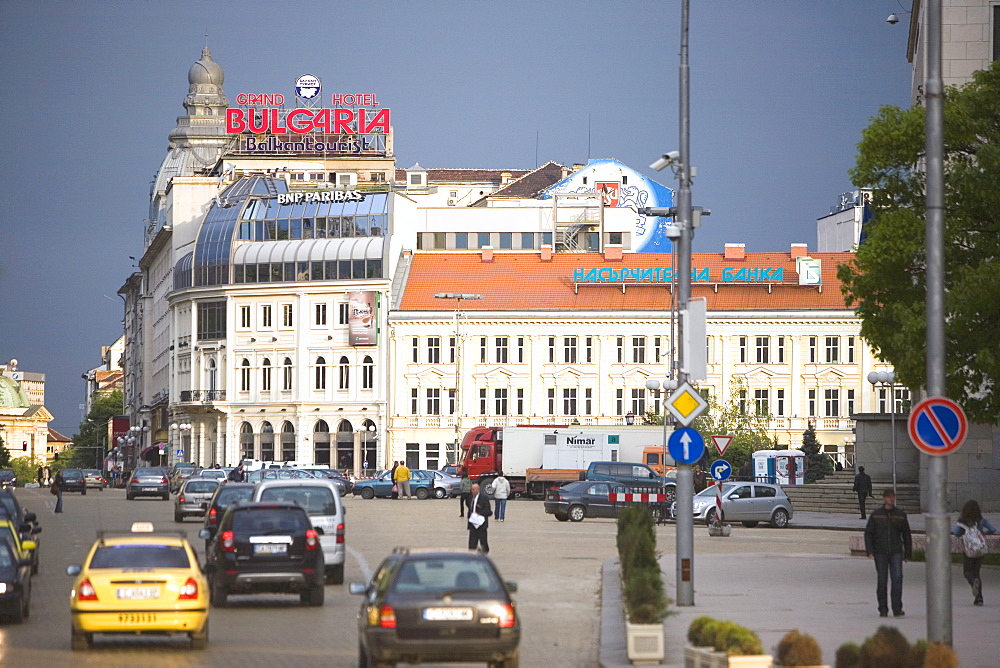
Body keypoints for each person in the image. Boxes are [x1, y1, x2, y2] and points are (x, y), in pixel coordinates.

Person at [864, 488, 912, 618]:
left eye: (893, 496)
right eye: (889, 497)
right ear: (884, 498)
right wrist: (869, 550)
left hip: (896, 551)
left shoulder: (900, 515)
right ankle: (883, 609)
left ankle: (897, 608)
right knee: (882, 580)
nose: (891, 499)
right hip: (880, 552)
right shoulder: (876, 515)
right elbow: (869, 533)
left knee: (897, 579)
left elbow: (906, 535)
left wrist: (908, 553)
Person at [952, 499, 997, 606]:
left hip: (969, 550)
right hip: (980, 550)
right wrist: (983, 533)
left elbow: (956, 532)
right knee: (977, 573)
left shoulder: (963, 521)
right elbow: (993, 529)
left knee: (967, 572)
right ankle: (979, 599)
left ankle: (973, 583)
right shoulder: (981, 520)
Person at [466, 482, 492, 554]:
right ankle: (471, 553)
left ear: (478, 490)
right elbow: (468, 506)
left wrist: (480, 513)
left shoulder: (484, 498)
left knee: (483, 540)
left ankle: (485, 551)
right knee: (472, 541)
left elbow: (488, 510)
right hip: (472, 522)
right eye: (472, 489)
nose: (472, 491)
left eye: (474, 489)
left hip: (481, 523)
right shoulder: (470, 497)